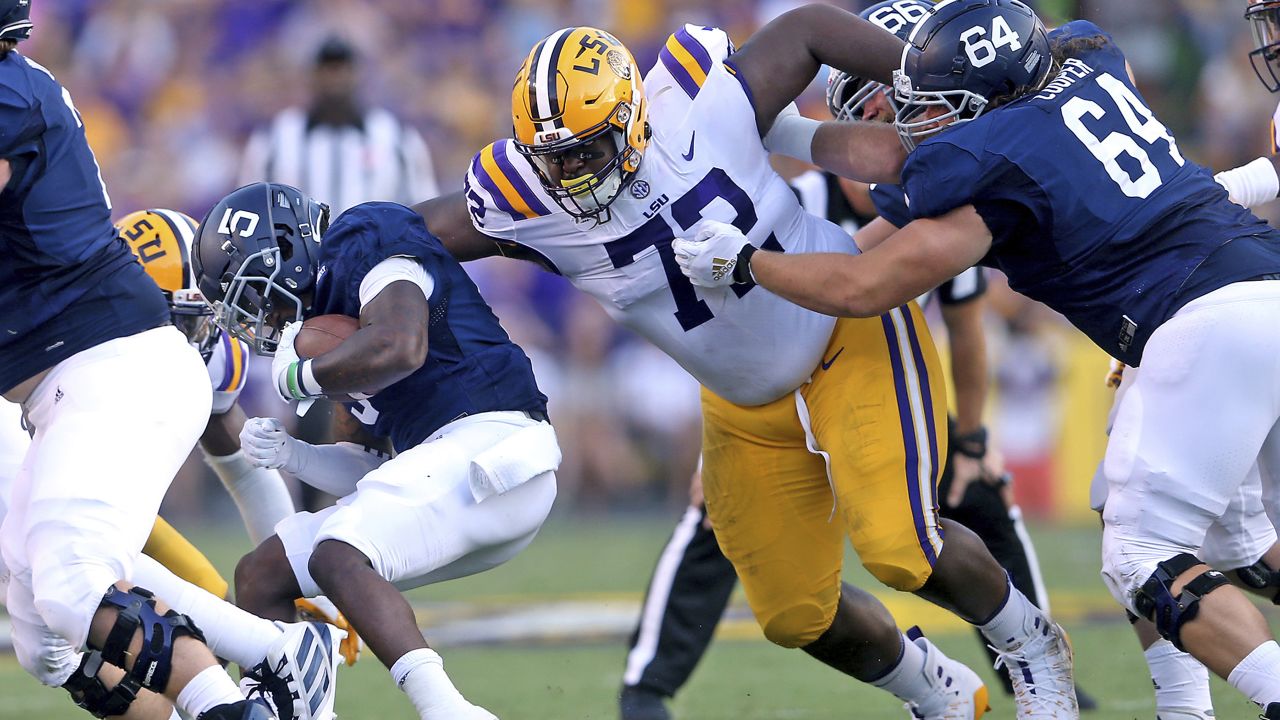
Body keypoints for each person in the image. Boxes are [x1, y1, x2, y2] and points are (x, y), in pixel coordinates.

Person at [415, 12, 1077, 719]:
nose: (571, 173)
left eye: (588, 149)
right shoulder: (524, 198)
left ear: (634, 119)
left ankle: (1033, 647)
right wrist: (333, 251)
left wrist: (928, 76)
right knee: (794, 614)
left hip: (841, 336)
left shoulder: (697, 99)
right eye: (556, 158)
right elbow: (410, 232)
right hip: (741, 403)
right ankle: (934, 690)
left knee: (900, 547)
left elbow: (810, 29)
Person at [672, 0, 1280, 715]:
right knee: (1230, 548)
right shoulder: (1082, 58)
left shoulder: (990, 166)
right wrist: (777, 129)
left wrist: (748, 262)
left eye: (922, 105)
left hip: (1200, 321)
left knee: (1141, 557)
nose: (909, 124)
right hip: (1247, 287)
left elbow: (863, 282)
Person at [0, 3, 281, 717]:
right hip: (70, 382)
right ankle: (232, 694)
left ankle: (263, 670)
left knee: (70, 583)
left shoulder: (8, 91)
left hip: (107, 364)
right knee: (43, 627)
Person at [192, 182, 559, 720]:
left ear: (285, 255)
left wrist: (306, 376)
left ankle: (449, 711)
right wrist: (291, 454)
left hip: (499, 445)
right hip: (458, 473)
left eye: (254, 296)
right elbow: (373, 472)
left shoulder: (364, 241)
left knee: (339, 552)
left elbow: (400, 346)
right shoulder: (343, 332)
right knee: (261, 574)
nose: (259, 318)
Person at [239, 36, 439, 216]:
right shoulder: (274, 138)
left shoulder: (397, 136)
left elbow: (423, 206)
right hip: (295, 255)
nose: (334, 79)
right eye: (327, 70)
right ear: (311, 76)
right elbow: (249, 208)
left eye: (342, 69)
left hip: (377, 255)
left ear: (358, 75)